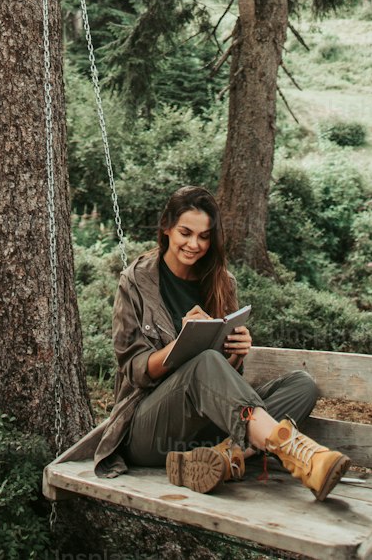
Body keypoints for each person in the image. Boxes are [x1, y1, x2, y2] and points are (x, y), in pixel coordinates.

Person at [86, 184, 350, 500]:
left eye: (204, 236)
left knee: (302, 385)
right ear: (167, 227)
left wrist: (236, 355)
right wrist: (180, 343)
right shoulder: (136, 281)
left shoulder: (222, 282)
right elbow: (135, 370)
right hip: (148, 429)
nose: (194, 244)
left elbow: (224, 383)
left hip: (204, 431)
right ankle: (300, 454)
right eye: (186, 232)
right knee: (205, 363)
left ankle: (225, 459)